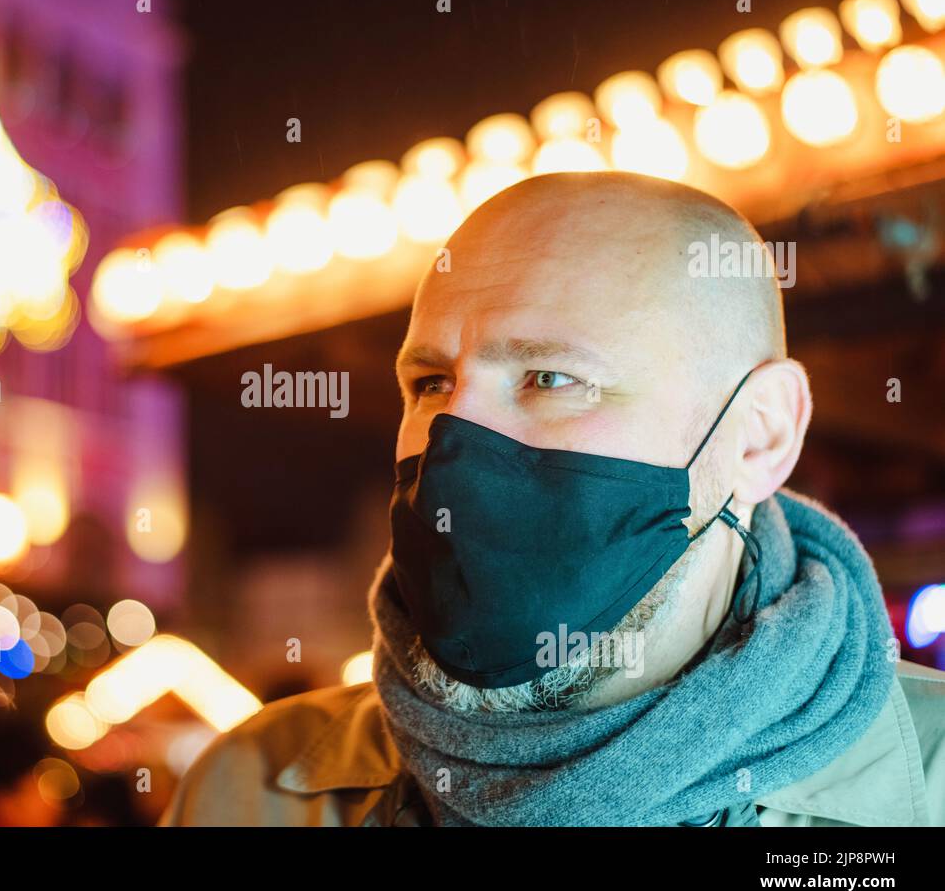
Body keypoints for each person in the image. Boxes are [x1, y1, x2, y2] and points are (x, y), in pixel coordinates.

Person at [160, 171, 945, 827]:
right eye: (431, 382)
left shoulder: (928, 781)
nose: (453, 440)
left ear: (758, 437)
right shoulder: (247, 787)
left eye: (551, 378)